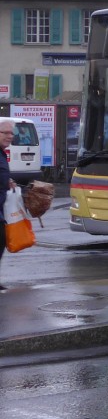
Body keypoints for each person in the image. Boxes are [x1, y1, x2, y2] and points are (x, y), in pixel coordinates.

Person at [0, 118, 19, 291]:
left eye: (11, 133)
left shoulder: (2, 153)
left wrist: (8, 181)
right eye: (5, 132)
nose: (10, 136)